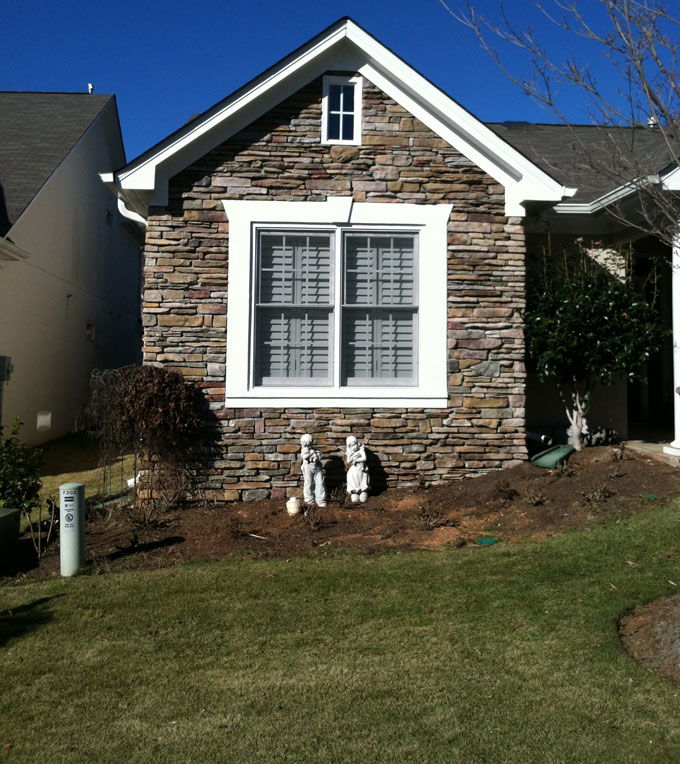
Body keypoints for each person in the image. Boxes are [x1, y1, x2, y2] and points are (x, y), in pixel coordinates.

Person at [299, 434, 326, 507]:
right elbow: (304, 456)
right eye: (307, 443)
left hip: (317, 467)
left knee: (320, 483)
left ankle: (320, 500)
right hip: (308, 466)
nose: (308, 445)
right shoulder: (304, 450)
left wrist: (317, 455)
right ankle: (309, 500)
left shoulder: (314, 450)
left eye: (310, 443)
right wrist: (312, 453)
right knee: (309, 483)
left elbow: (319, 457)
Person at [345, 435, 369, 503]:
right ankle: (355, 492)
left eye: (355, 444)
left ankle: (363, 491)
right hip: (354, 469)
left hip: (362, 468)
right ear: (349, 446)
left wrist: (356, 460)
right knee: (353, 479)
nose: (354, 447)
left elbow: (364, 458)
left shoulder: (361, 450)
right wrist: (351, 455)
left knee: (362, 479)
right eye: (352, 446)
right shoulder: (351, 452)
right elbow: (348, 461)